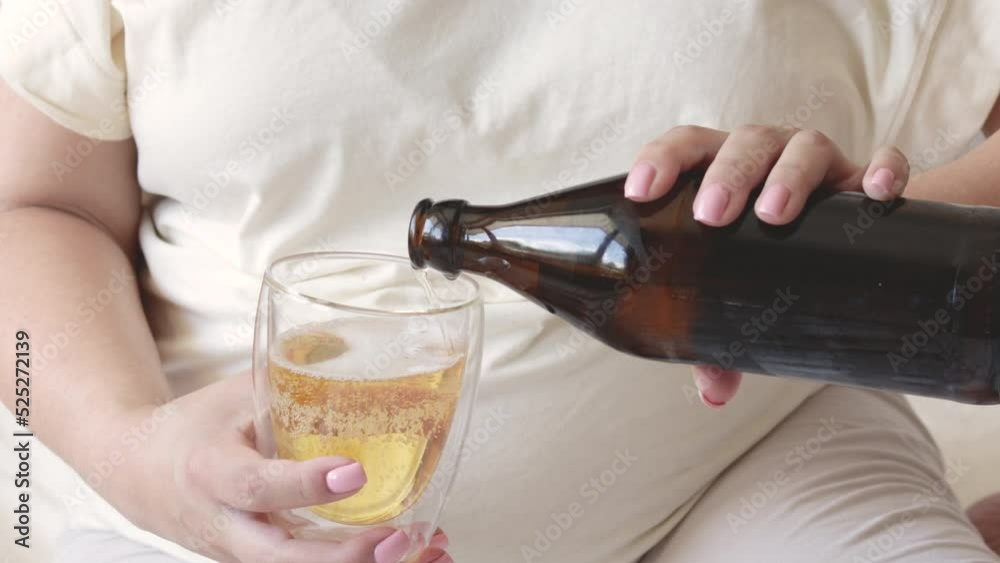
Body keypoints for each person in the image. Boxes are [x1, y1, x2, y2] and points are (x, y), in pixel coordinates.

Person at [1, 1, 999, 562]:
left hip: (747, 457)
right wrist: (132, 448)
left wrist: (867, 238)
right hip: (207, 506)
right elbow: (33, 209)